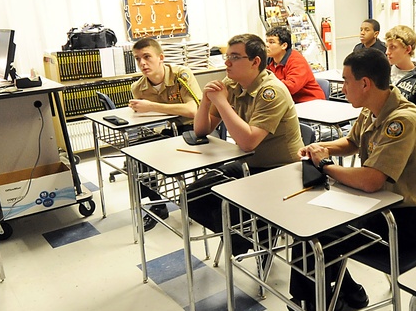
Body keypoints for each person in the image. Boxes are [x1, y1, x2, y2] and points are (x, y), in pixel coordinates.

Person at [287, 47, 416, 311]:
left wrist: (324, 166)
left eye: (345, 80)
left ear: (365, 84)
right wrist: (323, 148)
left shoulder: (401, 120)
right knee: (308, 223)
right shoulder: (372, 108)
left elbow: (371, 181)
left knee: (320, 234)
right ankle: (336, 293)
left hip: (399, 219)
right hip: (373, 206)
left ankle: (320, 301)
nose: (342, 87)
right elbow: (352, 142)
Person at [186, 33, 304, 254]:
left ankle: (256, 237)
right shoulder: (231, 84)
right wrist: (205, 100)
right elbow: (201, 130)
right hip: (249, 163)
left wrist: (221, 102)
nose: (227, 62)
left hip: (281, 170)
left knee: (227, 204)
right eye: (227, 56)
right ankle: (245, 242)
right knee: (194, 196)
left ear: (255, 61)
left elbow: (248, 142)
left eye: (235, 57)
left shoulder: (271, 92)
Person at [128, 37, 202, 230]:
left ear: (161, 57)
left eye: (147, 57)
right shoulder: (138, 88)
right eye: (137, 59)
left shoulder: (181, 75)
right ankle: (157, 205)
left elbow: (193, 110)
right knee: (133, 158)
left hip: (193, 128)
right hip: (168, 131)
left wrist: (152, 106)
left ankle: (196, 204)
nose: (142, 63)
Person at [385, 25, 416, 129]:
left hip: (405, 135)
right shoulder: (383, 73)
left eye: (393, 47)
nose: (387, 52)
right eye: (387, 47)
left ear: (407, 49)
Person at [265, 26, 325, 103]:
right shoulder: (269, 60)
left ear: (284, 46)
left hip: (310, 102)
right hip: (288, 101)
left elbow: (291, 87)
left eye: (271, 42)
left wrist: (266, 85)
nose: (266, 45)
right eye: (266, 41)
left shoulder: (296, 61)